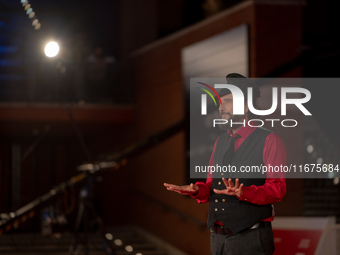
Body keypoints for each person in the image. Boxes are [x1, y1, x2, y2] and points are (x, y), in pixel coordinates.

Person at [164, 73, 286, 255]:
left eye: (227, 101)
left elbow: (278, 189)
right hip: (218, 238)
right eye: (220, 103)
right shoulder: (220, 141)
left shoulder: (269, 140)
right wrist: (197, 190)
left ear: (245, 106)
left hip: (250, 238)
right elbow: (211, 185)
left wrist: (244, 192)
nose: (221, 108)